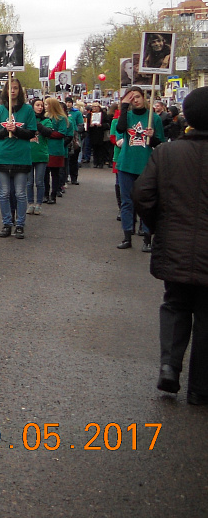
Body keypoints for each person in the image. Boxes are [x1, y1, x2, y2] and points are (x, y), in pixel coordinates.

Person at [133, 87, 208, 405]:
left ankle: (169, 367)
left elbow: (143, 195)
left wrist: (158, 226)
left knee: (176, 304)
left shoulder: (166, 153)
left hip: (175, 242)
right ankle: (201, 388)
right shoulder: (166, 151)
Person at [115, 86, 164, 251]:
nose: (134, 100)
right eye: (131, 98)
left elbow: (160, 143)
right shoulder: (127, 116)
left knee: (146, 202)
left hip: (146, 165)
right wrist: (123, 107)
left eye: (137, 96)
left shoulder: (153, 118)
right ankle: (127, 236)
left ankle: (147, 239)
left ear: (143, 97)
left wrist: (152, 136)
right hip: (126, 164)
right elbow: (120, 129)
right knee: (127, 202)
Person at [0, 77, 37, 239]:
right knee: (4, 193)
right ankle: (7, 223)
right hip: (2, 156)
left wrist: (16, 130)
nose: (13, 91)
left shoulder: (28, 110)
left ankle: (20, 224)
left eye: (16, 88)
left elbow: (31, 132)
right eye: (10, 88)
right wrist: (6, 130)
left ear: (20, 90)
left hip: (21, 156)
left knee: (20, 193)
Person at [26, 97, 51, 216]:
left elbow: (48, 132)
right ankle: (30, 203)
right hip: (29, 154)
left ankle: (39, 204)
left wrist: (37, 124)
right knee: (29, 182)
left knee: (39, 181)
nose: (40, 107)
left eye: (42, 105)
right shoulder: (27, 120)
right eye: (37, 105)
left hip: (41, 154)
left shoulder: (46, 120)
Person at [65, 96, 83, 184]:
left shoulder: (77, 113)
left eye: (69, 102)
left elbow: (81, 125)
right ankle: (65, 177)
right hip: (66, 138)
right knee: (65, 160)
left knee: (74, 160)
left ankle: (74, 177)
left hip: (74, 139)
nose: (68, 104)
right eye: (66, 102)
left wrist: (74, 131)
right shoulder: (62, 113)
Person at [87, 102, 110, 168]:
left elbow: (108, 124)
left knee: (101, 149)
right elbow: (86, 124)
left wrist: (101, 125)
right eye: (93, 106)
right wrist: (90, 126)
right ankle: (95, 162)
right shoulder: (89, 115)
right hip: (93, 134)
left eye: (96, 106)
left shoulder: (104, 115)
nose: (95, 108)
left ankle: (101, 162)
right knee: (94, 149)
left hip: (101, 134)